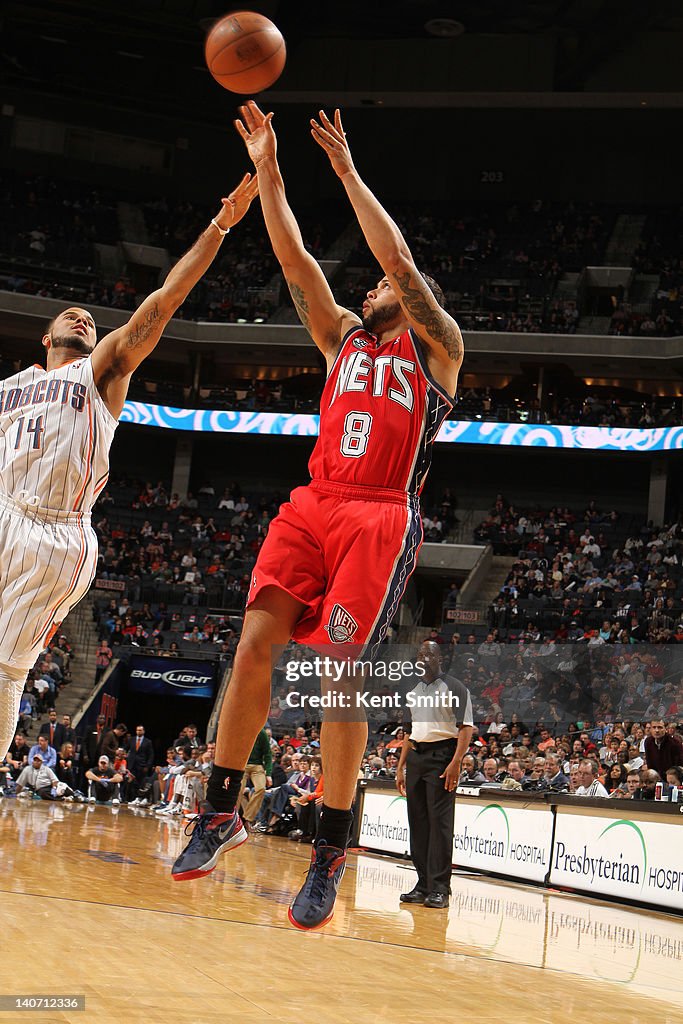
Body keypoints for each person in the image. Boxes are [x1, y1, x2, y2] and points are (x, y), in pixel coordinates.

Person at [172, 101, 463, 934]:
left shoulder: (437, 347)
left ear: (410, 300)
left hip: (378, 516)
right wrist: (267, 165)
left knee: (337, 674)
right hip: (314, 502)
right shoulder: (342, 341)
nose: (368, 287)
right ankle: (220, 809)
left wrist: (343, 171)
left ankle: (330, 846)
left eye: (380, 286)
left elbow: (399, 260)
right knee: (255, 643)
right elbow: (294, 257)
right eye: (368, 284)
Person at [0, 171, 259, 761]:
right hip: (2, 510)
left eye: (89, 318)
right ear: (45, 336)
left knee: (6, 666)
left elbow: (163, 303)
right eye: (70, 315)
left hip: (54, 532)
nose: (82, 318)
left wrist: (219, 225)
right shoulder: (9, 387)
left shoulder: (102, 372)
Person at [396, 642, 473, 909]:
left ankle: (440, 887)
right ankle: (423, 884)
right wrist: (401, 766)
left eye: (429, 654)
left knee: (439, 824)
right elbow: (408, 731)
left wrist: (456, 762)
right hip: (416, 756)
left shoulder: (455, 687)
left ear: (440, 658)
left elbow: (465, 729)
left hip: (443, 756)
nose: (424, 658)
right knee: (418, 822)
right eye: (420, 655)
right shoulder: (413, 690)